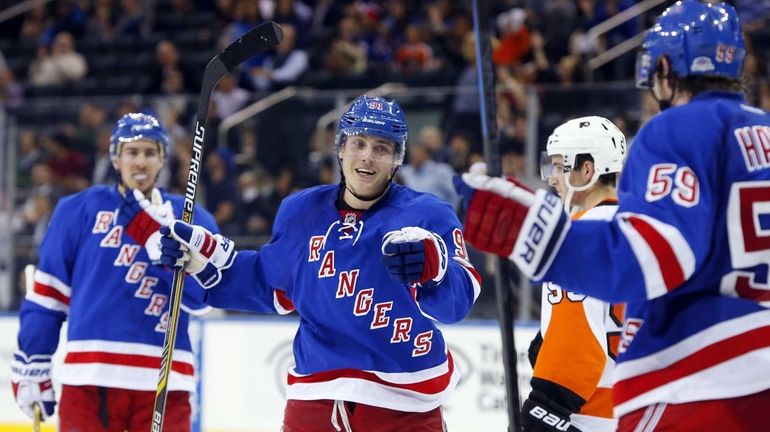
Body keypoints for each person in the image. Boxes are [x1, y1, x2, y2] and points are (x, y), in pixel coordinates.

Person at [454, 1, 770, 430]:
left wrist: (521, 226)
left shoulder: (676, 129)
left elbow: (652, 257)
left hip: (696, 383)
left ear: (663, 65)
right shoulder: (764, 132)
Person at [159, 95, 482, 431]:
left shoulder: (429, 214)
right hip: (316, 398)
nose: (368, 156)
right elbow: (271, 285)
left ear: (396, 159)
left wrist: (436, 272)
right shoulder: (302, 211)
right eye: (358, 143)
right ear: (340, 148)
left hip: (405, 404)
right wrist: (207, 266)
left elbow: (458, 302)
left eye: (382, 148)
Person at [11, 113, 218, 431]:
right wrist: (33, 361)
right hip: (90, 375)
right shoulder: (78, 209)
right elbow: (49, 296)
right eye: (131, 152)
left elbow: (204, 300)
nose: (140, 162)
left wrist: (161, 241)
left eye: (150, 153)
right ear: (115, 157)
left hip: (165, 382)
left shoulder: (189, 217)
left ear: (162, 159)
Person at [526, 116, 627, 432]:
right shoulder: (642, 228)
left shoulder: (576, 238)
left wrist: (543, 404)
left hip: (590, 414)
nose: (552, 178)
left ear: (588, 170)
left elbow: (577, 345)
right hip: (643, 407)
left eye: (560, 166)